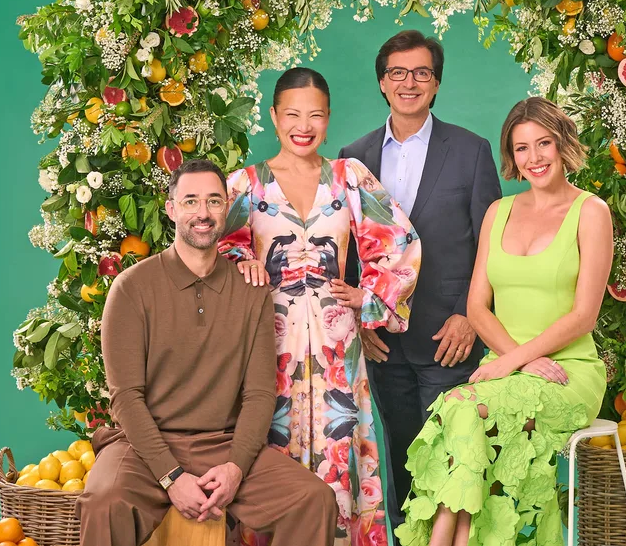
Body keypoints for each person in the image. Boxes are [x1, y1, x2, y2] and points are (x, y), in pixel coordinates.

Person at [77, 159, 338, 546]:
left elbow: (259, 394)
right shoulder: (131, 288)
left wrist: (235, 467)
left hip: (223, 443)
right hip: (142, 447)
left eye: (214, 201)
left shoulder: (250, 291)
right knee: (104, 502)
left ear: (226, 209)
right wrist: (171, 476)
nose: (203, 213)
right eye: (191, 201)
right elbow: (126, 398)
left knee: (314, 499)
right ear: (171, 209)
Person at [395, 97, 614, 546]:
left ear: (563, 144)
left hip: (567, 373)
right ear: (511, 156)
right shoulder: (499, 213)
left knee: (461, 406)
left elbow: (583, 315)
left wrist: (515, 360)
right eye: (521, 148)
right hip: (506, 371)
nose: (534, 158)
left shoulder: (591, 212)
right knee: (461, 413)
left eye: (544, 144)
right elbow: (477, 308)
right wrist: (516, 362)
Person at [218, 68, 422, 546]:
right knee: (270, 449)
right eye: (291, 114)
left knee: (342, 450)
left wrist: (369, 296)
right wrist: (242, 259)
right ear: (273, 117)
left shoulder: (349, 178)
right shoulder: (244, 186)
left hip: (337, 346)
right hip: (269, 345)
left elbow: (401, 243)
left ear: (328, 119)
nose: (303, 125)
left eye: (314, 115)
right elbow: (213, 250)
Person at [337, 30, 501, 539]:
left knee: (452, 467)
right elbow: (348, 252)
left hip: (449, 337)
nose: (410, 82)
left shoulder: (472, 151)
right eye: (398, 73)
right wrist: (361, 320)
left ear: (436, 83)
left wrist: (469, 316)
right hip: (383, 341)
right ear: (383, 84)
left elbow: (489, 245)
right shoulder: (353, 155)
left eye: (422, 73)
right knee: (403, 462)